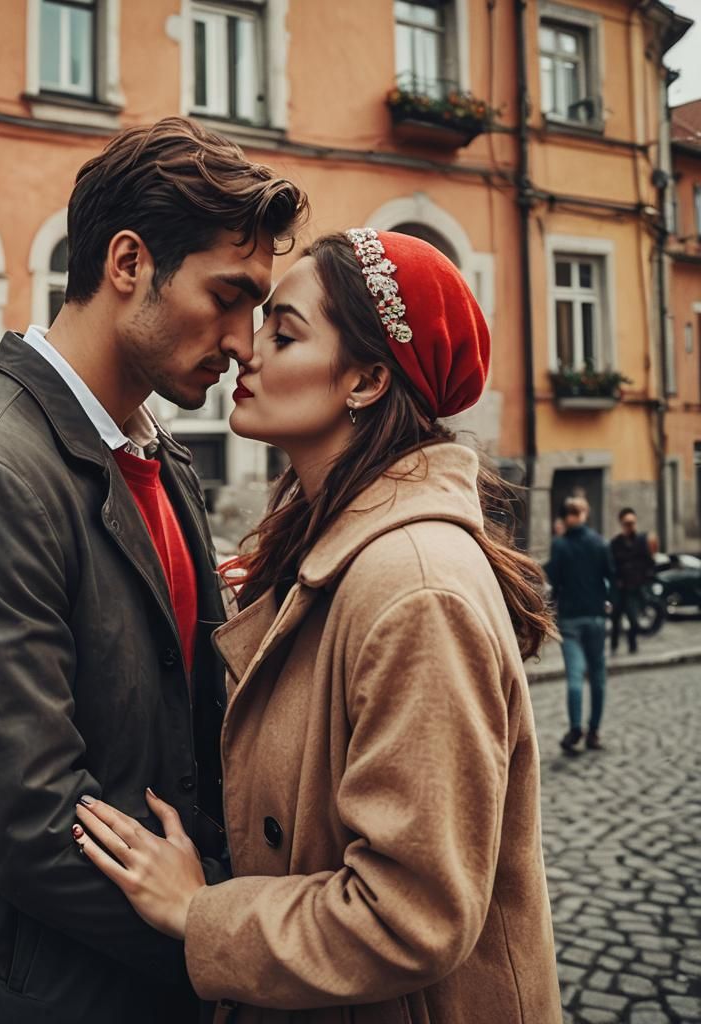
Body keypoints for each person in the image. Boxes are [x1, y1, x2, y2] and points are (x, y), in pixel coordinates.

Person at [0, 117, 307, 1024]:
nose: (243, 343)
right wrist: (222, 937)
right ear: (127, 263)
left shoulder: (160, 456)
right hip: (23, 995)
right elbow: (33, 824)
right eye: (228, 295)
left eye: (259, 309)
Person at [73, 229, 564, 1023]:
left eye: (285, 333)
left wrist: (201, 914)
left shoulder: (415, 587)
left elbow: (410, 914)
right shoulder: (330, 550)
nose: (246, 352)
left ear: (368, 379)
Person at [547, 496, 616, 752]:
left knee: (575, 675)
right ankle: (594, 731)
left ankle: (576, 726)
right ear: (584, 514)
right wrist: (609, 602)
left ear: (566, 518)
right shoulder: (600, 543)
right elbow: (612, 576)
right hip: (596, 617)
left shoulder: (560, 545)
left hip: (571, 618)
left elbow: (552, 578)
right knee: (597, 676)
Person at [609, 506, 656, 654]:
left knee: (633, 619)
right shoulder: (616, 543)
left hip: (634, 588)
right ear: (621, 524)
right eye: (627, 523)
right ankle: (614, 645)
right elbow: (611, 565)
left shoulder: (641, 541)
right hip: (619, 587)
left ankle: (632, 645)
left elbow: (649, 562)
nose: (630, 526)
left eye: (632, 522)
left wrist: (645, 579)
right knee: (616, 619)